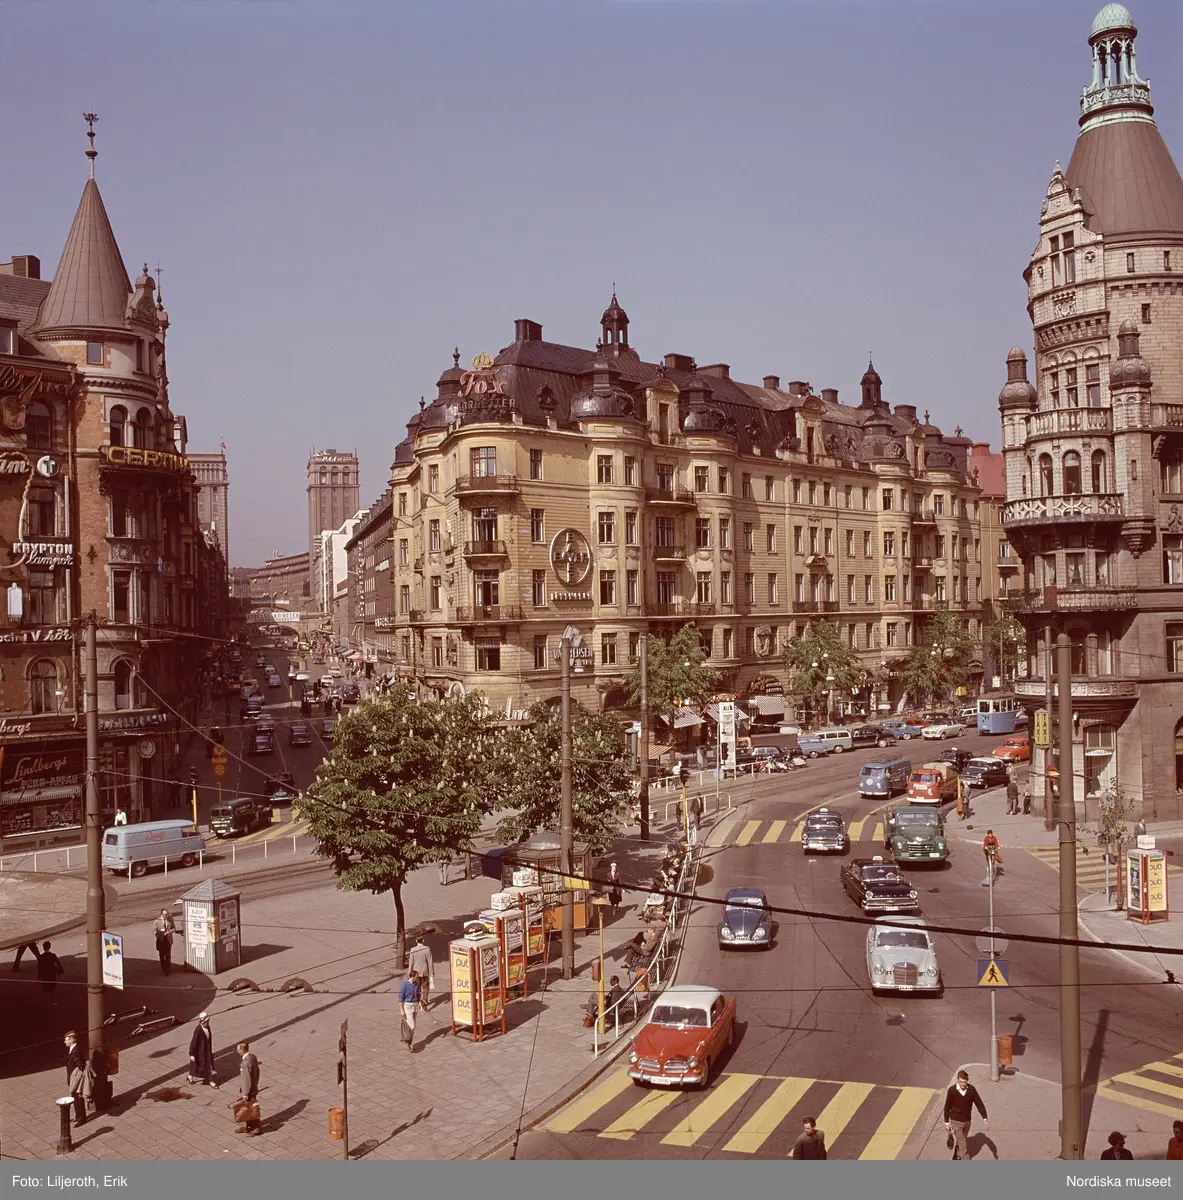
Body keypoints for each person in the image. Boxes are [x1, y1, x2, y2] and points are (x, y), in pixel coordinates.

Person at [943, 1068, 989, 1160]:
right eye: (961, 1082)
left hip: (967, 1121)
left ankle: (956, 1155)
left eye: (964, 1082)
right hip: (956, 1121)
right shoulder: (952, 1091)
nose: (963, 1084)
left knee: (962, 1139)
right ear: (958, 1080)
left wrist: (985, 1118)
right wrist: (946, 1122)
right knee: (963, 1143)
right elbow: (947, 1106)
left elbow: (979, 1104)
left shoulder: (971, 1090)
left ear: (967, 1081)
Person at [234, 1041, 261, 1136]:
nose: (237, 1051)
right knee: (249, 1109)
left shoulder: (245, 1063)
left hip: (249, 1091)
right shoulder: (252, 1057)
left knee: (251, 1110)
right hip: (253, 1088)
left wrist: (245, 1093)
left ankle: (255, 1129)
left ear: (242, 1050)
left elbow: (246, 1079)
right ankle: (248, 1126)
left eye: (238, 1049)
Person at [64, 1031, 90, 1127]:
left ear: (71, 1040)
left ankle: (81, 1118)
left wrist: (76, 1078)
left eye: (66, 1040)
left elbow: (81, 1065)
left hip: (75, 1080)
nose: (64, 1042)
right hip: (73, 1079)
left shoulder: (75, 1052)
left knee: (77, 1098)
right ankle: (78, 1115)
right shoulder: (74, 1048)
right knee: (75, 1098)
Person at [186, 1012, 218, 1087]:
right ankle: (208, 1079)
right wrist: (191, 1054)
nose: (208, 1023)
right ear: (203, 1022)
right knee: (200, 1065)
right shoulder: (198, 1030)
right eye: (207, 1021)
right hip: (201, 1051)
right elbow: (193, 1042)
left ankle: (209, 1079)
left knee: (207, 1064)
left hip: (206, 1050)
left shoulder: (207, 1027)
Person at [407, 933, 435, 1009]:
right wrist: (431, 974)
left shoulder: (413, 950)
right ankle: (425, 1001)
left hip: (416, 972)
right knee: (425, 987)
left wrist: (409, 974)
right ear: (423, 940)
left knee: (417, 988)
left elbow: (411, 963)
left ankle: (418, 1002)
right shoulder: (427, 949)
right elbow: (430, 961)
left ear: (416, 941)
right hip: (425, 972)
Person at [399, 971, 421, 1051]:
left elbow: (418, 995)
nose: (418, 977)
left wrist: (419, 1004)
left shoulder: (416, 984)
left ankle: (410, 1043)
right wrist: (401, 1010)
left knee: (413, 1026)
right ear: (413, 976)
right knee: (411, 1025)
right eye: (417, 976)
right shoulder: (405, 985)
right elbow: (400, 999)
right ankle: (406, 1041)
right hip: (408, 1006)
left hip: (415, 1005)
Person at [37, 941, 63, 1005]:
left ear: (43, 948)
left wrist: (39, 977)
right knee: (52, 988)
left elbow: (39, 967)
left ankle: (44, 1002)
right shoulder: (53, 955)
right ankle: (53, 1001)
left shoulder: (41, 957)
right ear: (50, 947)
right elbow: (58, 964)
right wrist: (60, 971)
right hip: (52, 974)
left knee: (44, 989)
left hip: (44, 975)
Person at [154, 909, 177, 975]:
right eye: (165, 915)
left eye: (167, 914)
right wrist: (160, 933)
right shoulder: (157, 921)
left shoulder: (170, 920)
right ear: (161, 914)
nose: (166, 916)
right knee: (162, 955)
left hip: (168, 940)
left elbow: (174, 928)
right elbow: (154, 931)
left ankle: (168, 969)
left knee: (168, 955)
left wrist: (168, 932)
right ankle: (163, 967)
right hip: (161, 941)